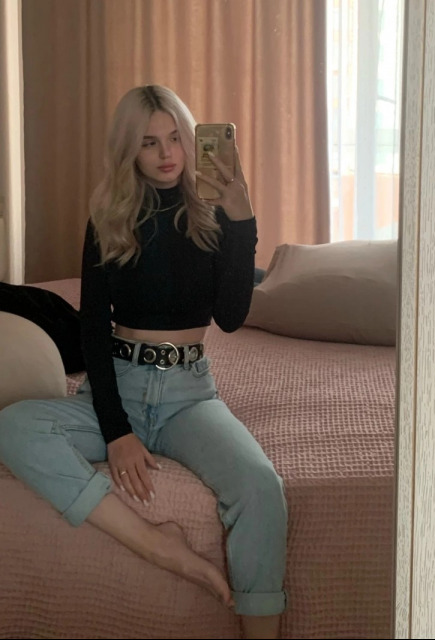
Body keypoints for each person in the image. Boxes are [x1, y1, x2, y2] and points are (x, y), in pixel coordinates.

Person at [0, 85, 287, 640]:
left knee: (261, 488)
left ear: (191, 138)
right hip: (120, 384)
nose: (166, 153)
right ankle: (158, 544)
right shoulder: (108, 218)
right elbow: (91, 327)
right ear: (129, 150)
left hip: (189, 397)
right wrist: (116, 431)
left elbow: (230, 317)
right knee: (13, 425)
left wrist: (242, 220)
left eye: (175, 137)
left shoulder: (214, 216)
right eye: (149, 142)